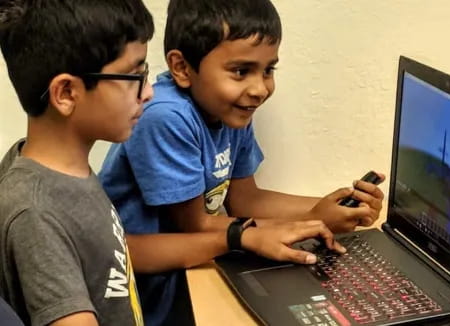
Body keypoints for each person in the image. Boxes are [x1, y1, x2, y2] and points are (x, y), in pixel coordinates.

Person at [99, 0, 385, 325]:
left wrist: (327, 209)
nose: (259, 89)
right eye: (240, 71)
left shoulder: (230, 108)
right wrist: (314, 219)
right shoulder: (167, 116)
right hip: (143, 298)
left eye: (268, 70)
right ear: (181, 68)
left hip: (191, 271)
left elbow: (247, 200)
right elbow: (195, 225)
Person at [0, 0, 154, 325]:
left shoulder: (66, 171)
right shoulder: (35, 212)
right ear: (67, 93)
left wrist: (231, 240)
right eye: (133, 76)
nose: (149, 91)